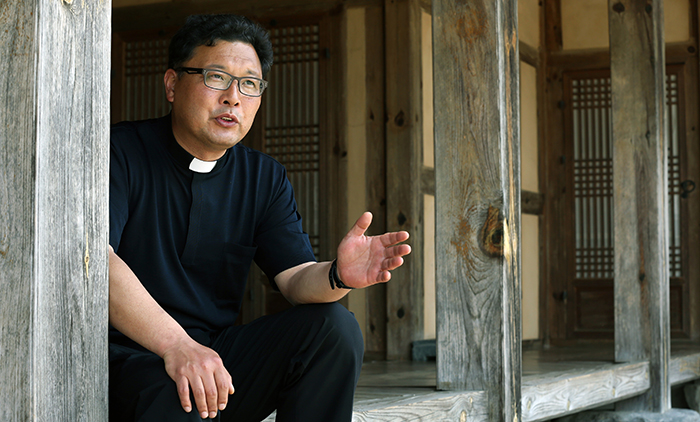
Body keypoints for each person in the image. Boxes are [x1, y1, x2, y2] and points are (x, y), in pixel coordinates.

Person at [108, 14, 411, 422]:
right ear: (172, 84)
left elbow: (295, 277)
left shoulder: (263, 177)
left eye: (249, 84)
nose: (233, 97)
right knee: (175, 392)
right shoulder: (120, 152)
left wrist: (338, 275)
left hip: (215, 360)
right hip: (127, 357)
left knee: (334, 328)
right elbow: (97, 262)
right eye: (217, 76)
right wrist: (176, 347)